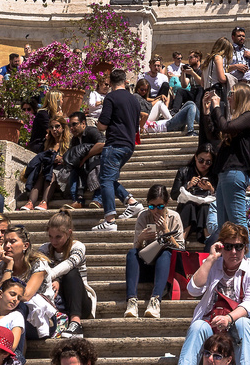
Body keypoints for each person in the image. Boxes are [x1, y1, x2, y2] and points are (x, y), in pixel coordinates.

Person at [178, 225, 250, 365]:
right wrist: (211, 258)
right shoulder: (213, 264)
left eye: (239, 246)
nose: (234, 252)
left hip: (239, 325)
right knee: (198, 326)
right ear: (221, 247)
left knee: (244, 323)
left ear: (245, 248)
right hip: (213, 323)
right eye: (229, 247)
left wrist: (229, 318)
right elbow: (193, 290)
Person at [92, 69, 147, 231]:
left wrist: (97, 124)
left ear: (111, 82)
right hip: (129, 145)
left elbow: (103, 125)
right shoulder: (134, 100)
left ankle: (109, 220)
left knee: (106, 180)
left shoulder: (111, 97)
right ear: (124, 81)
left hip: (115, 143)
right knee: (109, 177)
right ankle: (132, 203)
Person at [207, 84, 250, 239]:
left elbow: (225, 126)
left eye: (231, 93)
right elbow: (213, 133)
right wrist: (207, 111)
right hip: (225, 173)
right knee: (224, 226)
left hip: (236, 172)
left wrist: (217, 106)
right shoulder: (238, 121)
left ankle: (246, 261)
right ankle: (228, 261)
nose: (228, 97)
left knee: (238, 224)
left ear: (240, 97)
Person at [123, 186, 184, 320]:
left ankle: (156, 300)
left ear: (166, 204)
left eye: (160, 206)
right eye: (152, 207)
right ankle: (131, 301)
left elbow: (181, 249)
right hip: (147, 265)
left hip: (166, 269)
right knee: (132, 253)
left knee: (165, 252)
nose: (155, 210)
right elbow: (136, 249)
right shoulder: (143, 216)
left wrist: (167, 231)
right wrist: (141, 239)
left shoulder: (174, 217)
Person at [44, 213, 95, 334]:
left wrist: (56, 278)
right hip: (56, 298)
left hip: (80, 301)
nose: (53, 241)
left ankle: (76, 322)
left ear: (69, 233)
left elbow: (70, 263)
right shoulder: (44, 249)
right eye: (50, 236)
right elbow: (40, 270)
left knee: (71, 273)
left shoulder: (78, 247)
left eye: (58, 237)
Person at [176, 145, 220, 245]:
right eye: (201, 160)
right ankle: (180, 240)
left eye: (208, 162)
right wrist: (188, 185)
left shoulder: (215, 175)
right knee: (190, 205)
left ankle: (209, 240)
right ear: (195, 157)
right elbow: (174, 195)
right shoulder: (184, 172)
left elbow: (221, 197)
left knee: (206, 207)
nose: (204, 164)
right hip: (187, 210)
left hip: (204, 212)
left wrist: (211, 189)